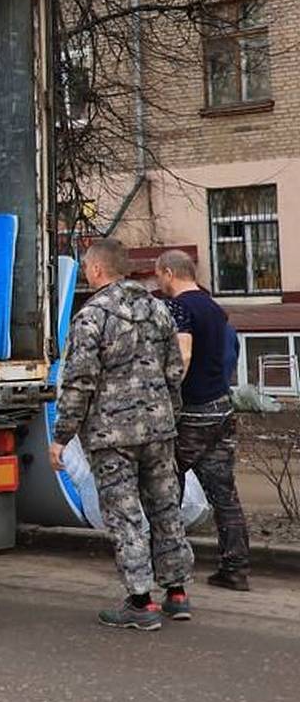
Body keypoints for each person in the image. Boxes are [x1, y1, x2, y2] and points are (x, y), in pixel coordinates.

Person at [49, 238, 194, 630]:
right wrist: (170, 416)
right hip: (158, 428)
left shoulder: (92, 316)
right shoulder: (158, 309)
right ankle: (177, 592)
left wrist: (62, 436)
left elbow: (79, 381)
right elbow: (173, 370)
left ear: (97, 270)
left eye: (85, 267)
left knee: (125, 513)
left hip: (113, 435)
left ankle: (140, 601)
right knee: (166, 507)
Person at [155, 248, 250, 591]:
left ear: (169, 272)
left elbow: (183, 353)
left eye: (158, 275)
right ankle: (234, 568)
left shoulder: (178, 307)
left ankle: (169, 567)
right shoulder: (214, 307)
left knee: (166, 488)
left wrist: (166, 393)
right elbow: (227, 354)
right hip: (220, 408)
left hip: (191, 413)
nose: (158, 281)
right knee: (224, 494)